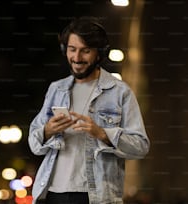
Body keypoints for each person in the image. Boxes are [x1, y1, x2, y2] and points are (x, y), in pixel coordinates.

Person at [28, 17, 150, 204]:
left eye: (85, 51)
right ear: (65, 50)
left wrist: (102, 133)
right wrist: (47, 131)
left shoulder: (120, 92)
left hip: (96, 197)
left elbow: (140, 146)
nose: (77, 58)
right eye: (72, 49)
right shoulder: (56, 89)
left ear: (99, 54)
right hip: (53, 193)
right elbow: (34, 144)